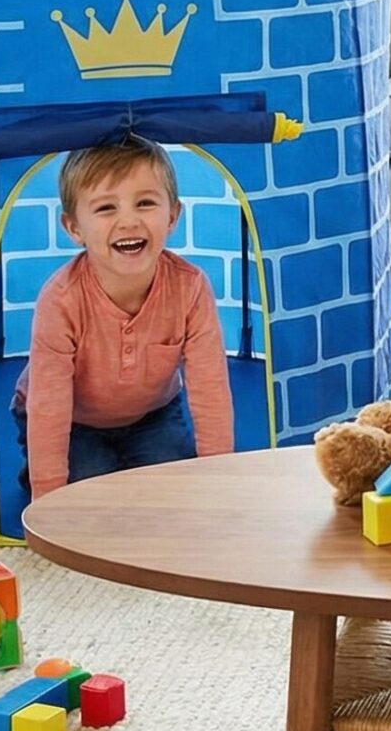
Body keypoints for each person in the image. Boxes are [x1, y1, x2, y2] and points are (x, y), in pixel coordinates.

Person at [15, 136, 234, 500]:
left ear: (172, 216)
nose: (128, 221)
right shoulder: (60, 300)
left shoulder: (191, 288)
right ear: (73, 228)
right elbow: (49, 409)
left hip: (152, 415)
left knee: (174, 489)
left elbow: (210, 390)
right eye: (105, 209)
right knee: (91, 492)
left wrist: (222, 479)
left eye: (145, 203)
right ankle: (45, 472)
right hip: (72, 420)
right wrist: (48, 496)